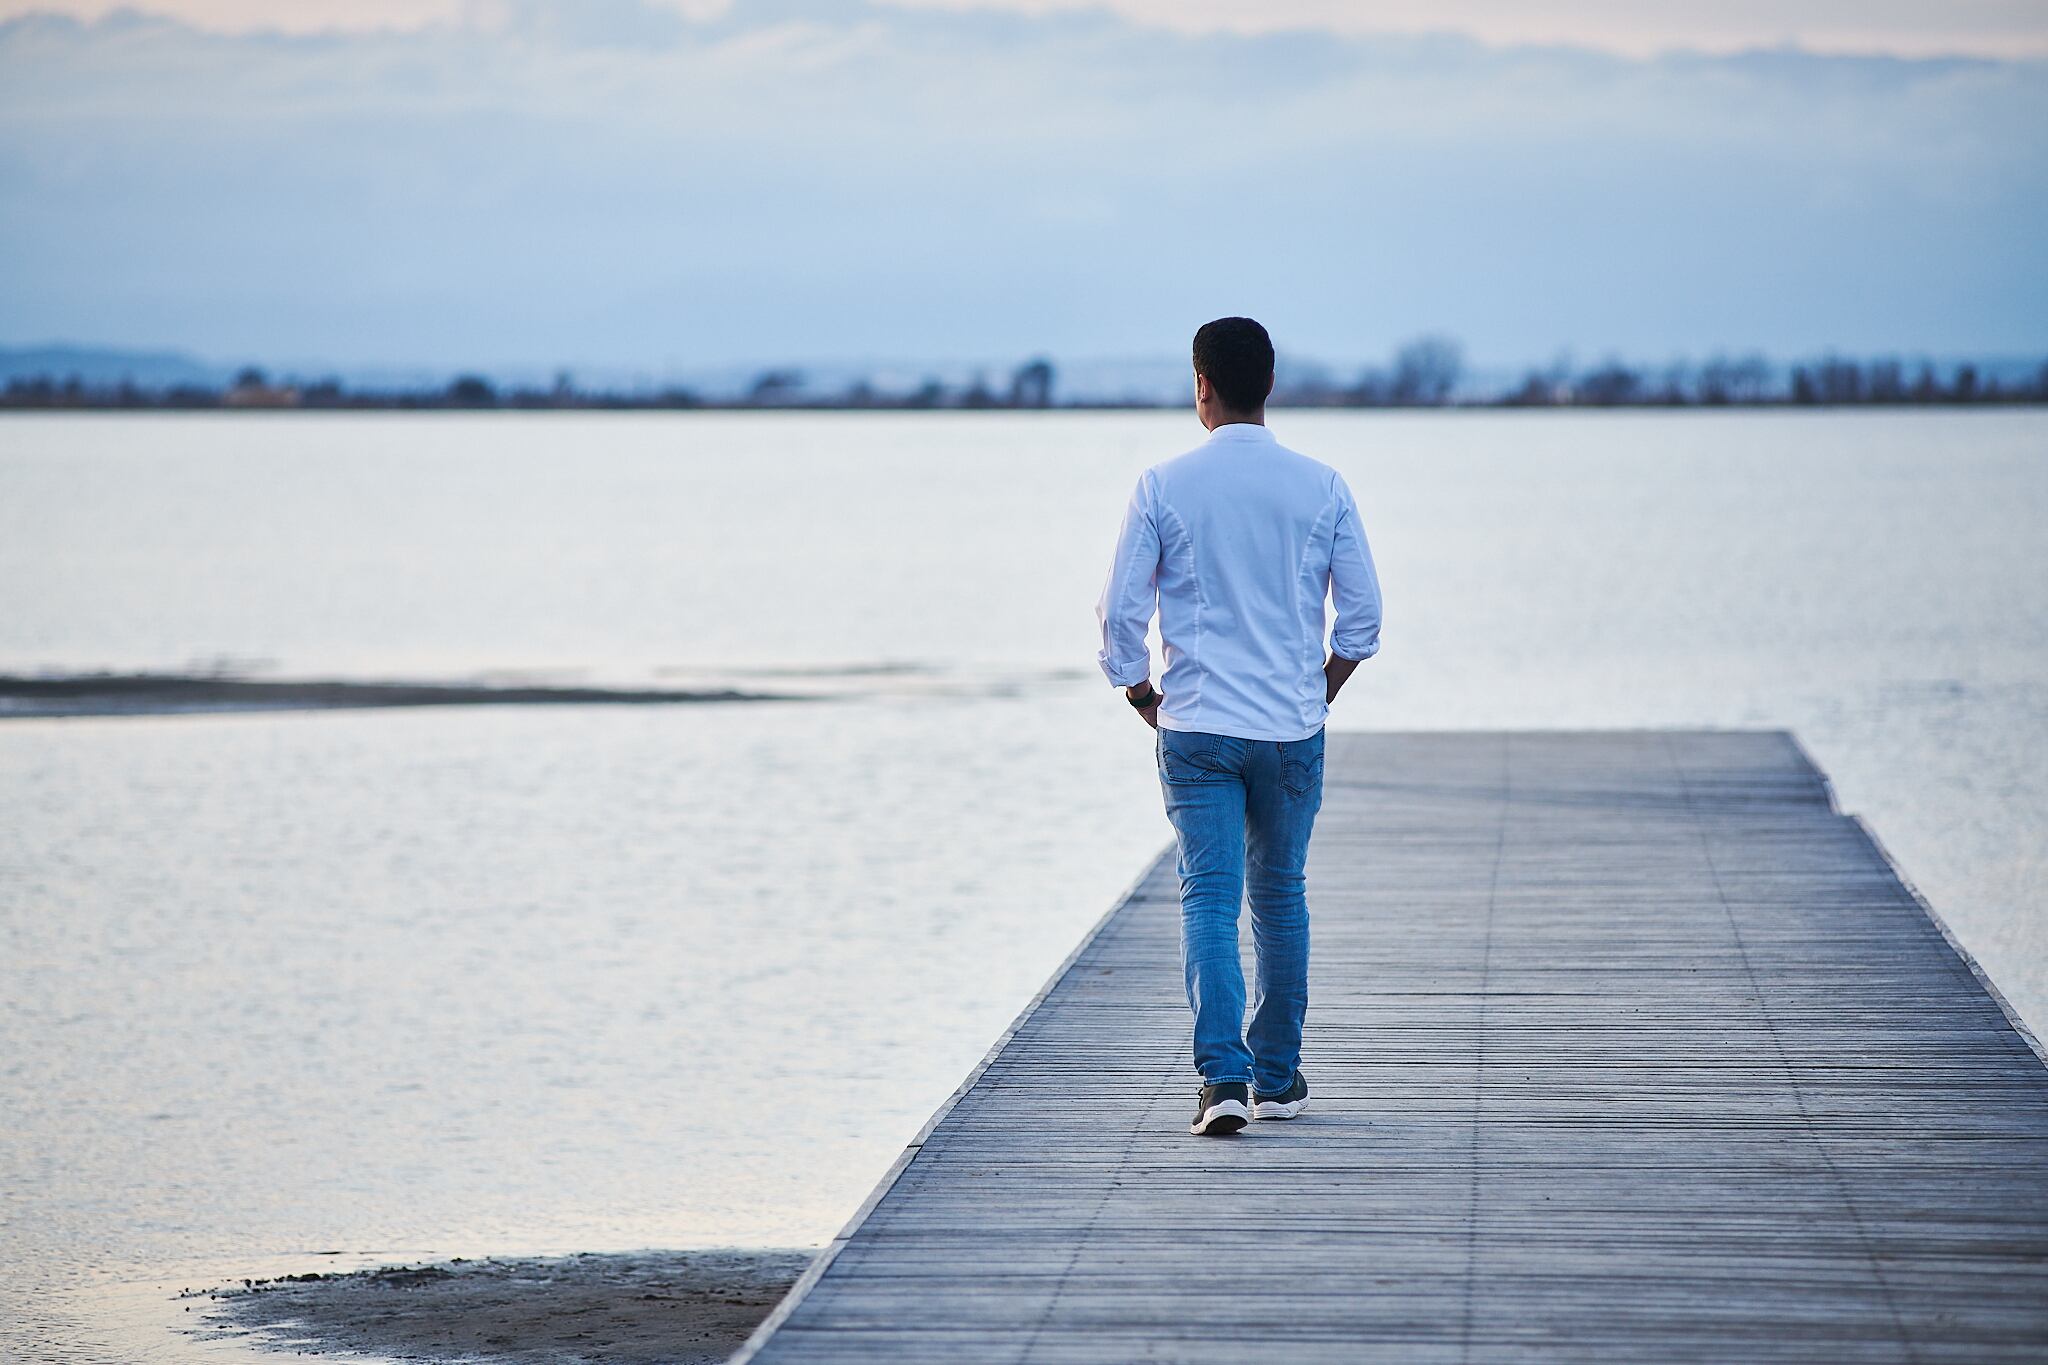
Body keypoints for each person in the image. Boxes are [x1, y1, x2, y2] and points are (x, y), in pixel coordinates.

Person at [1094, 316, 1383, 1136]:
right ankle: (1279, 1078)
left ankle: (1223, 1081)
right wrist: (1316, 692)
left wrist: (1141, 695)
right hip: (1291, 728)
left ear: (1202, 388)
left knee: (1208, 899)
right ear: (1270, 385)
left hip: (1195, 728)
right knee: (1281, 896)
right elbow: (1362, 619)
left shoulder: (1162, 484)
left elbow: (1121, 612)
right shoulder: (1322, 484)